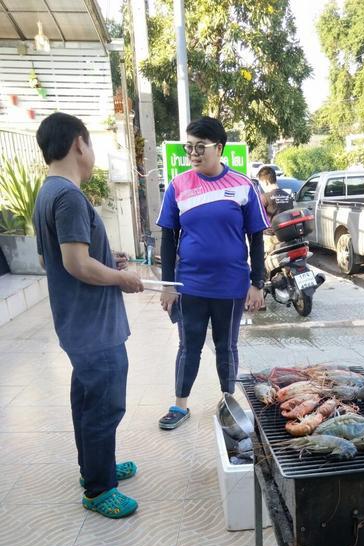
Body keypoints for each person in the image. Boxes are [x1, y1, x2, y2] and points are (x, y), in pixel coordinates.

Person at [33, 112, 143, 518]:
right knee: (104, 406)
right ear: (79, 144)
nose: (92, 152)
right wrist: (120, 277)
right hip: (95, 328)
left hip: (75, 323)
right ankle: (99, 490)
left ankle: (93, 467)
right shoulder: (69, 197)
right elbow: (76, 265)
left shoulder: (47, 193)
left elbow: (52, 261)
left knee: (86, 400)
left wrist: (103, 259)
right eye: (91, 144)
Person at [156, 117, 269, 429]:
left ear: (219, 148)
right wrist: (169, 284)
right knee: (188, 346)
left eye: (200, 147)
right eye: (188, 147)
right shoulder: (178, 186)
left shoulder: (243, 186)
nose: (193, 153)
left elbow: (256, 237)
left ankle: (226, 401)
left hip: (231, 286)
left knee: (226, 346)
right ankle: (180, 406)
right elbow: (168, 237)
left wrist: (257, 282)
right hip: (189, 284)